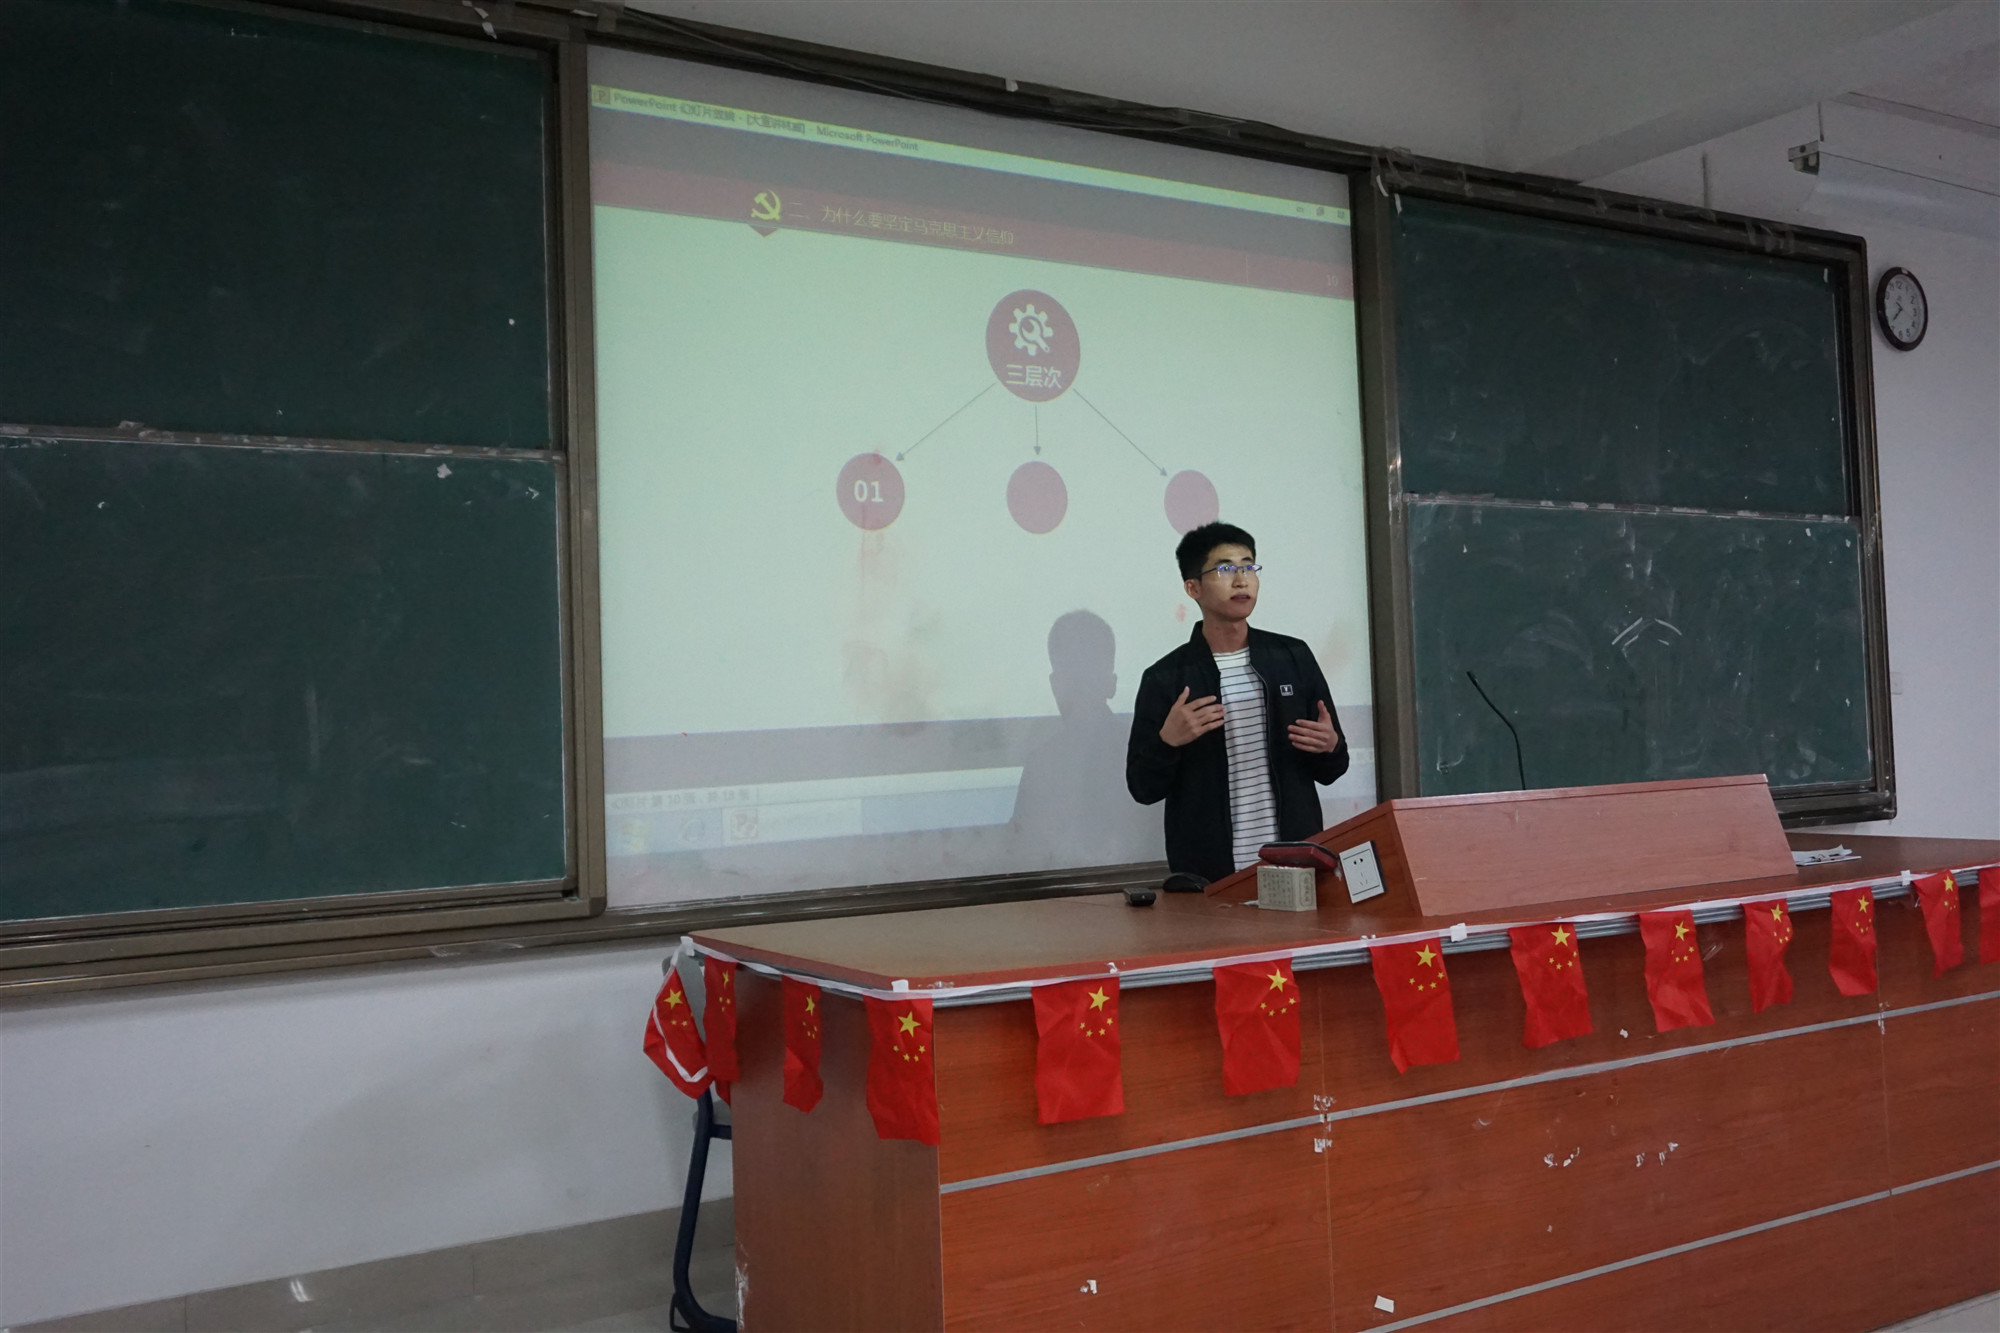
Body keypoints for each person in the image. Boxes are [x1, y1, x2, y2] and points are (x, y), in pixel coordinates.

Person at [1126, 522, 1349, 885]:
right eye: (1226, 569)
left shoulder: (1292, 657)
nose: (1242, 580)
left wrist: (1331, 746)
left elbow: (1333, 769)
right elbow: (1142, 788)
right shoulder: (1166, 677)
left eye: (1249, 567)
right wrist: (1168, 743)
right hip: (1210, 877)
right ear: (1193, 588)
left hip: (1294, 868)